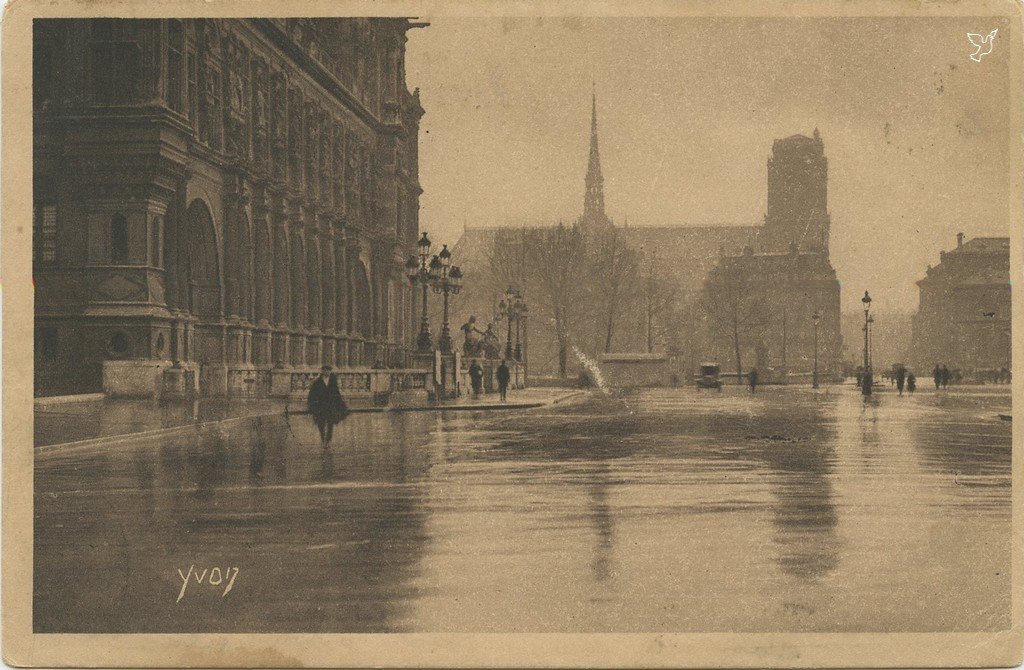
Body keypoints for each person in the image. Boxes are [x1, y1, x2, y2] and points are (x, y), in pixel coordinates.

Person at [308, 366, 347, 447]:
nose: (327, 372)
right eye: (325, 370)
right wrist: (312, 404)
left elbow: (336, 393)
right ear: (322, 371)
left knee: (330, 423)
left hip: (330, 405)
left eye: (328, 371)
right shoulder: (317, 381)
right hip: (320, 405)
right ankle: (323, 439)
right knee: (321, 423)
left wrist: (340, 403)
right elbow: (312, 393)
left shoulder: (333, 381)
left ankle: (328, 440)